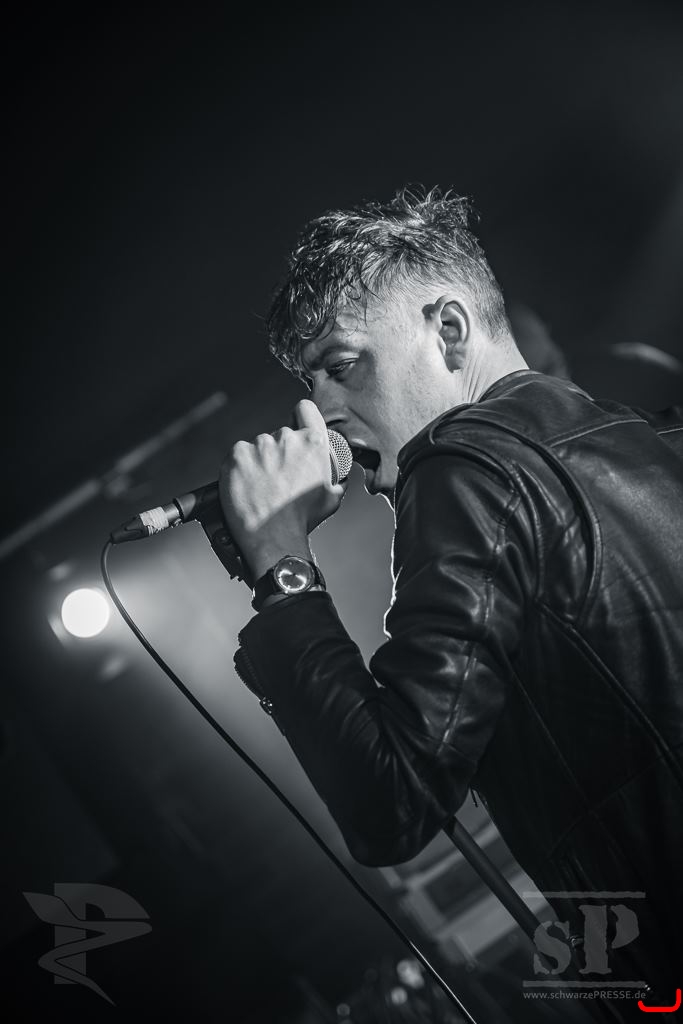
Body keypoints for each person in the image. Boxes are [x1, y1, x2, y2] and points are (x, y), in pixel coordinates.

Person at [219, 187, 683, 1014]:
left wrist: (282, 569)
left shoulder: (463, 467)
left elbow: (391, 800)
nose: (322, 413)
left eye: (342, 366)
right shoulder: (645, 437)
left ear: (450, 331)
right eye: (311, 383)